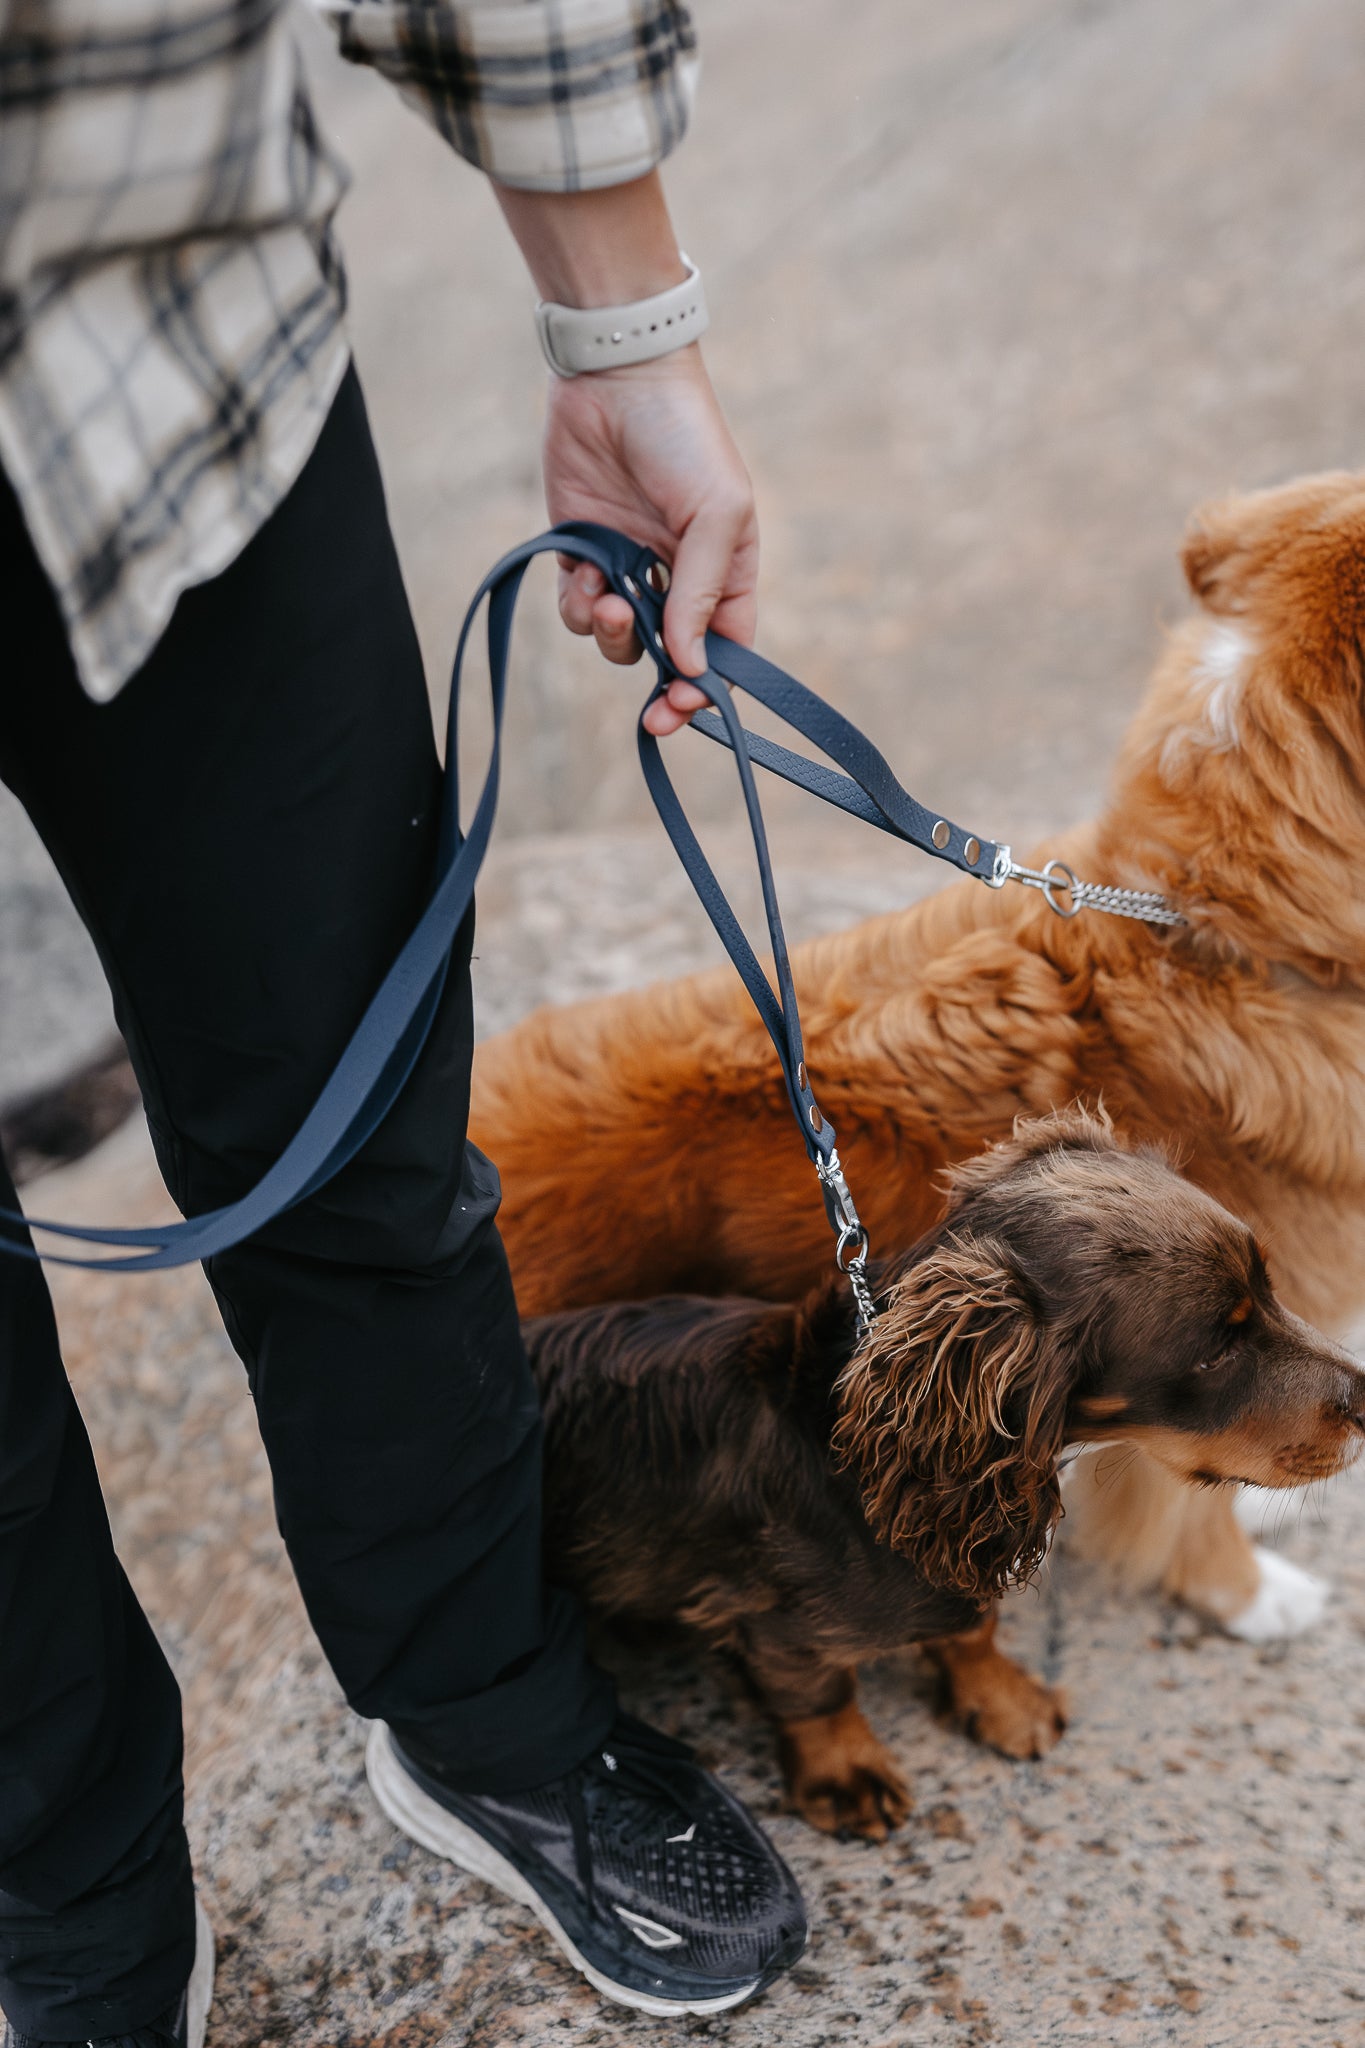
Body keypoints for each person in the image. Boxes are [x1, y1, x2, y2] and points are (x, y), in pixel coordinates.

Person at [0, 1, 809, 2038]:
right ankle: (66, 1884)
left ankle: (483, 1703)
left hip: (173, 376)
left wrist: (625, 335)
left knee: (351, 1116)